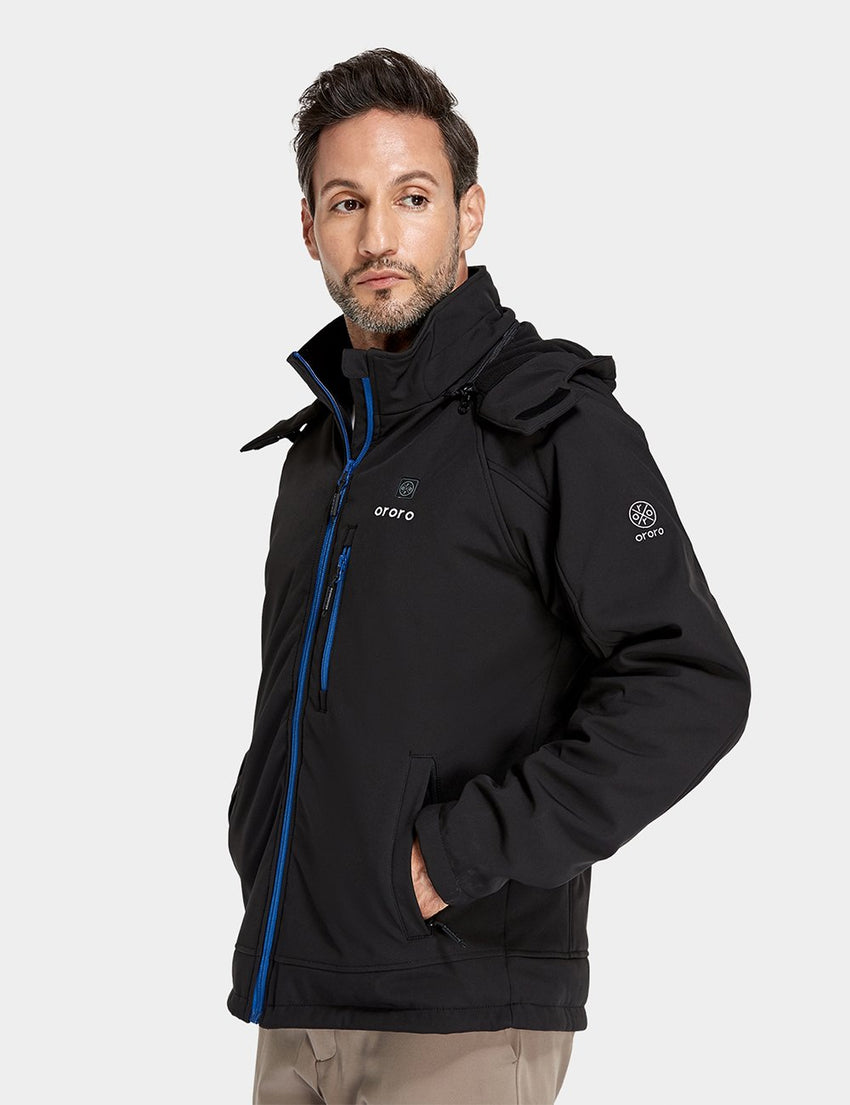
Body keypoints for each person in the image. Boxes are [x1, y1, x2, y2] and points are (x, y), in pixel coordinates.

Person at [227, 46, 752, 1105]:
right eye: (346, 202)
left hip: (462, 1012)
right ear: (309, 228)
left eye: (412, 197)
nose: (379, 236)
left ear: (469, 213)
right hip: (299, 994)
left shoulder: (553, 426)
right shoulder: (322, 451)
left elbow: (690, 682)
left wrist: (455, 854)